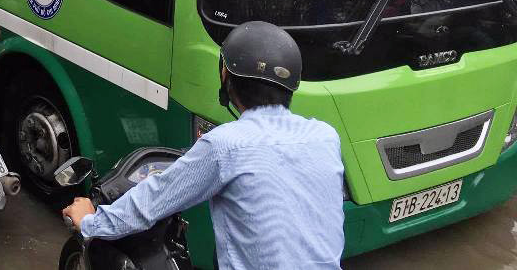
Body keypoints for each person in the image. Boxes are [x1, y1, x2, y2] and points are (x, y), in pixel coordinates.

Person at [62, 21, 344, 270]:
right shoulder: (325, 136)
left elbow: (153, 201)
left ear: (225, 77)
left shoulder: (225, 146)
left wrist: (91, 221)